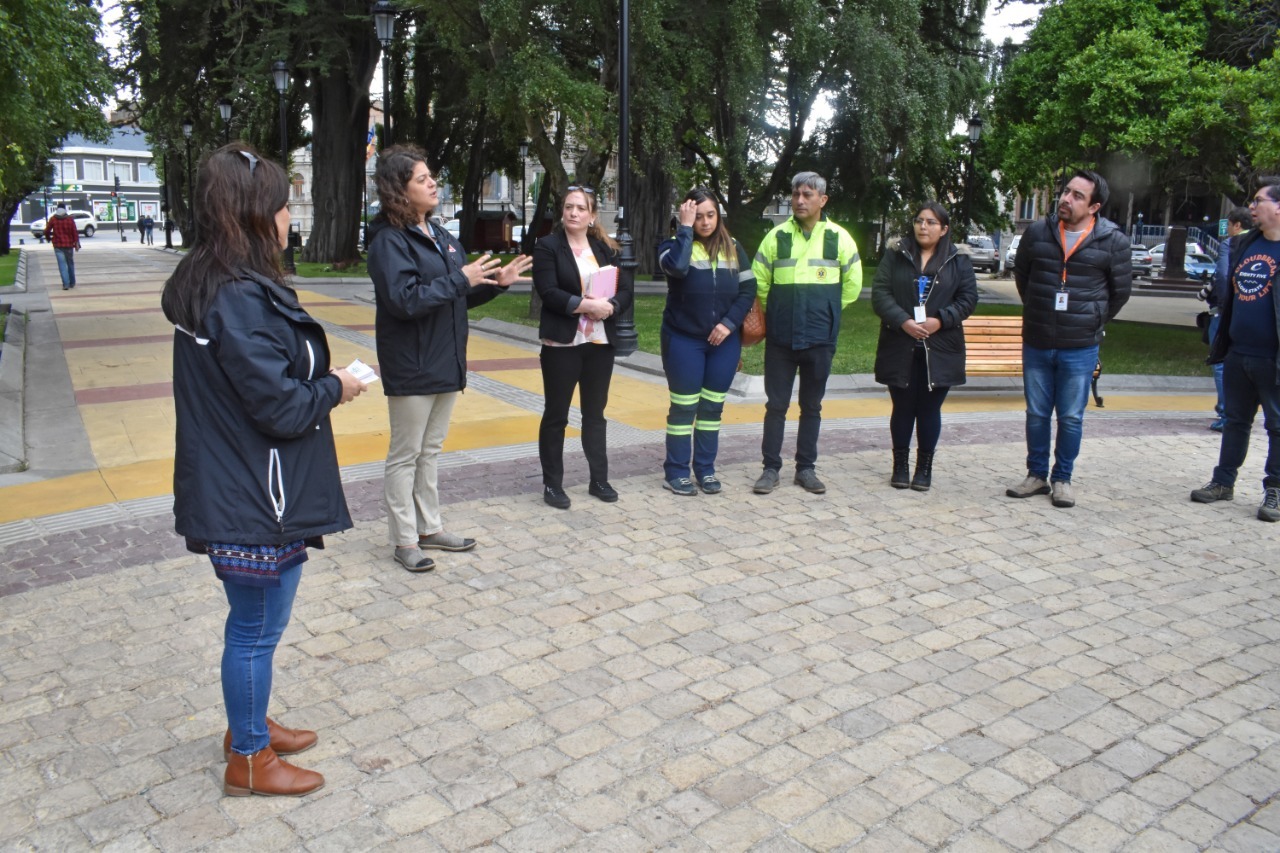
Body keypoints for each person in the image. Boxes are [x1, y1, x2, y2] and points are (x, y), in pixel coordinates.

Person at [162, 144, 368, 797]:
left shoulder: (217, 280)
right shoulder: (237, 296)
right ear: (255, 215)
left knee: (256, 625)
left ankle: (247, 724)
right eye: (282, 205)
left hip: (247, 481)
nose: (289, 216)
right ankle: (248, 757)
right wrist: (338, 385)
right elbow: (279, 405)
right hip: (253, 490)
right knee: (254, 627)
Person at [367, 145, 531, 571]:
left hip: (446, 359)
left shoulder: (439, 235)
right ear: (399, 191)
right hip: (412, 362)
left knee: (431, 451)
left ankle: (430, 527)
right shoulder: (389, 240)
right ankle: (404, 540)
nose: (432, 183)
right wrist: (460, 278)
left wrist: (496, 284)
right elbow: (404, 300)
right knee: (406, 454)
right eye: (422, 179)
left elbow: (456, 297)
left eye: (430, 176)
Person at [1007, 169, 1131, 508]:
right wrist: (1035, 307)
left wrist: (1091, 320)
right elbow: (1023, 276)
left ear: (1094, 207)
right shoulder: (1037, 233)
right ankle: (1036, 476)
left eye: (1078, 196)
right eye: (1066, 191)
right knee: (1036, 413)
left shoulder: (1113, 240)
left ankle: (1062, 478)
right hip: (1037, 339)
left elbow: (1120, 292)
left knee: (1071, 416)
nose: (1066, 198)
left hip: (1080, 346)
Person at [751, 172, 862, 495]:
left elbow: (852, 285)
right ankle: (770, 469)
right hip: (781, 338)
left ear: (822, 200)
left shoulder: (840, 238)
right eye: (796, 194)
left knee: (812, 406)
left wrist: (826, 310)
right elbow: (760, 281)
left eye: (807, 195)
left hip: (820, 337)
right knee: (776, 405)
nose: (799, 200)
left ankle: (806, 468)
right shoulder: (776, 236)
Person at [532, 185, 629, 509]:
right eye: (569, 207)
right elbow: (548, 291)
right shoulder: (548, 246)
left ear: (591, 216)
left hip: (599, 343)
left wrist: (611, 306)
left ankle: (598, 479)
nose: (573, 213)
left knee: (595, 415)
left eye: (580, 208)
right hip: (563, 343)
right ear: (563, 211)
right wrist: (589, 306)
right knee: (556, 415)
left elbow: (626, 290)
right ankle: (552, 485)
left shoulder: (605, 249)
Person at [656, 188, 757, 495]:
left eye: (710, 215)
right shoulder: (671, 246)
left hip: (723, 342)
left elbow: (748, 290)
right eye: (697, 216)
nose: (705, 222)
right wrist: (683, 229)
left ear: (719, 216)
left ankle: (705, 469)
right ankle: (676, 471)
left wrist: (729, 325)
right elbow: (677, 268)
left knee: (712, 408)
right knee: (684, 408)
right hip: (683, 340)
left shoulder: (734, 247)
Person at [872, 202, 978, 491]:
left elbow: (967, 300)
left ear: (944, 229)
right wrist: (904, 321)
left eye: (931, 222)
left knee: (929, 410)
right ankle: (900, 465)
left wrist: (940, 321)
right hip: (900, 343)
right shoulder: (896, 254)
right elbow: (880, 294)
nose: (923, 226)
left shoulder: (958, 260)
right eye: (920, 221)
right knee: (903, 407)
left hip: (941, 346)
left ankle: (924, 467)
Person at [1190, 179, 1280, 522]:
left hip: (1274, 359)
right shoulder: (1246, 245)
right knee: (1236, 421)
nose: (1252, 207)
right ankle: (1223, 481)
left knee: (1277, 426)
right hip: (1239, 353)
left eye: (1259, 201)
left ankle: (1275, 490)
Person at [1200, 206, 1253, 431]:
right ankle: (1241, 411)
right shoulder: (1258, 243)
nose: (1228, 230)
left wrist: (1224, 305)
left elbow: (1222, 275)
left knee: (1221, 363)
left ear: (1237, 225)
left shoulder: (1230, 244)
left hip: (1225, 312)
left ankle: (1226, 413)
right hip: (1249, 313)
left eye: (1230, 225)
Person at [44, 204, 81, 290]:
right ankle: (72, 282)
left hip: (58, 245)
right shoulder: (70, 219)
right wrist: (76, 243)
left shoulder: (53, 219)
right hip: (69, 245)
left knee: (62, 265)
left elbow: (46, 231)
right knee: (70, 264)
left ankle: (66, 284)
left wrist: (48, 238)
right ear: (65, 209)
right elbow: (74, 232)